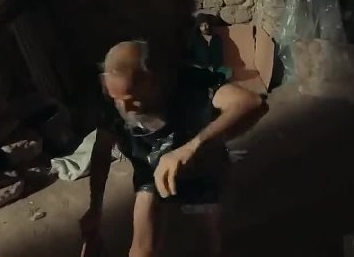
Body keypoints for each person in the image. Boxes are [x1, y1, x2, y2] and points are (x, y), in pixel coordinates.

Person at [80, 40, 264, 257]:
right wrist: (95, 208)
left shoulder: (188, 82)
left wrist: (191, 147)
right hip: (149, 168)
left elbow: (253, 103)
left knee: (207, 241)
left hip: (201, 165)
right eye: (117, 100)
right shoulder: (110, 97)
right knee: (142, 251)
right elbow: (102, 150)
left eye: (132, 99)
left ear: (154, 81)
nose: (125, 108)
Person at [188, 13, 233, 83]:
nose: (204, 28)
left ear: (209, 25)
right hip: (200, 68)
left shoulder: (217, 39)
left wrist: (214, 66)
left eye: (206, 25)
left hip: (214, 69)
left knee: (228, 71)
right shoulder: (195, 40)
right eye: (201, 26)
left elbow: (220, 57)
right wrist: (200, 66)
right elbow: (190, 58)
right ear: (199, 27)